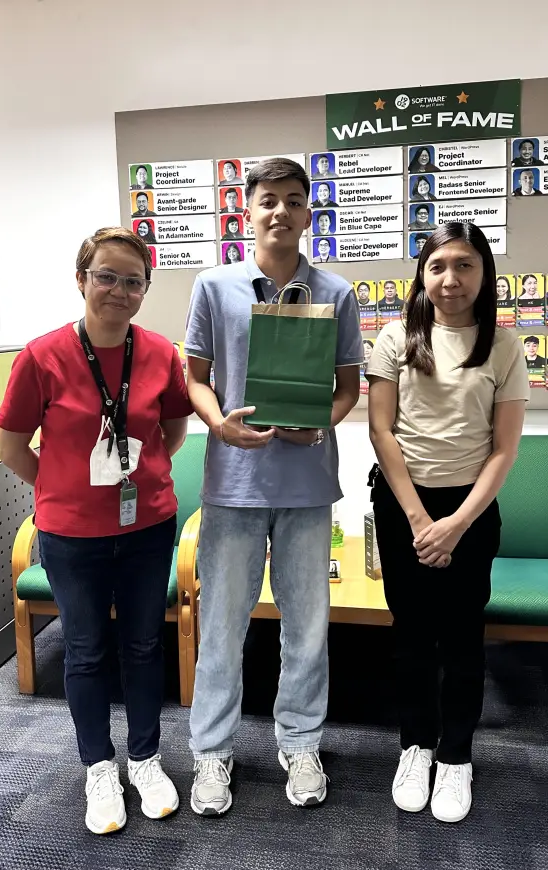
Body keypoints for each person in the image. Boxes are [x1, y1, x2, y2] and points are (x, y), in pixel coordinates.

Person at [0, 227, 193, 834]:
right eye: (106, 276)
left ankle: (145, 758)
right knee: (84, 650)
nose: (119, 290)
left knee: (142, 646)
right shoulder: (42, 355)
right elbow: (9, 446)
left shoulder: (160, 353)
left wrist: (140, 476)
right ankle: (98, 766)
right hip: (70, 535)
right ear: (81, 279)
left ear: (144, 292)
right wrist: (60, 487)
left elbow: (173, 431)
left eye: (133, 281)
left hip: (147, 526)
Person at [184, 157, 362, 816]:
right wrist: (217, 426)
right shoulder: (213, 286)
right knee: (223, 626)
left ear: (307, 213)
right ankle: (210, 752)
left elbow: (348, 389)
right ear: (247, 210)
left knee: (307, 628)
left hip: (307, 481)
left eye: (293, 200)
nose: (279, 211)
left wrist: (320, 425)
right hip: (233, 482)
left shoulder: (336, 293)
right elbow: (194, 377)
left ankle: (301, 742)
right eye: (267, 200)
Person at [366, 221, 529, 824]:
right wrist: (417, 519)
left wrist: (456, 523)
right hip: (402, 503)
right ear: (422, 273)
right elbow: (382, 430)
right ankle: (415, 746)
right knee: (411, 635)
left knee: (462, 637)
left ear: (483, 274)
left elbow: (503, 450)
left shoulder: (504, 345)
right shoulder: (394, 337)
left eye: (464, 265)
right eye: (438, 266)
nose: (450, 278)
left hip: (472, 509)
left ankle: (456, 755)